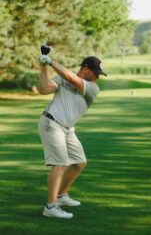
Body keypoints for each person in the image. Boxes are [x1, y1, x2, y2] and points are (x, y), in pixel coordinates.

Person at [38, 51, 107, 219]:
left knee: (79, 163)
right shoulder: (62, 78)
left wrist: (51, 62)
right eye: (96, 73)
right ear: (85, 68)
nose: (97, 77)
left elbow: (70, 77)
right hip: (52, 123)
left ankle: (61, 195)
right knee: (60, 163)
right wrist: (43, 67)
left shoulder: (92, 88)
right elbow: (44, 89)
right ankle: (51, 206)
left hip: (68, 129)